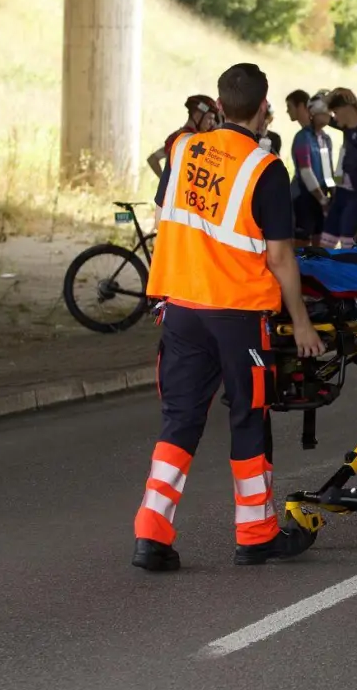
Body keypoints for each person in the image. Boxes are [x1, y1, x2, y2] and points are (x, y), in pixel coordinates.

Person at [131, 62, 324, 572]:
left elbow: (168, 216)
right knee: (248, 418)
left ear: (218, 106)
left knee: (180, 419)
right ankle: (256, 535)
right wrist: (301, 321)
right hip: (238, 316)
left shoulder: (182, 149)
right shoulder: (264, 168)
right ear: (264, 108)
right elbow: (281, 258)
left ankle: (151, 533)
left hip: (180, 308)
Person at [319, 88, 357, 248]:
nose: (334, 117)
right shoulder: (348, 130)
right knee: (326, 242)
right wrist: (334, 94)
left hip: (355, 197)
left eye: (336, 112)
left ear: (347, 110)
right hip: (341, 194)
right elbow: (323, 115)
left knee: (348, 247)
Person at [289, 90, 334, 247]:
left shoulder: (326, 139)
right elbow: (306, 171)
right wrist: (322, 199)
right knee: (301, 245)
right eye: (326, 112)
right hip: (304, 198)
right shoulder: (303, 137)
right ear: (314, 112)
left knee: (320, 245)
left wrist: (334, 195)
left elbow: (328, 172)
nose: (330, 115)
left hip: (320, 198)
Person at [148, 95, 218, 180]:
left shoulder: (177, 136)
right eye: (210, 118)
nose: (212, 123)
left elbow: (153, 159)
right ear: (197, 115)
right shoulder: (192, 139)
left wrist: (165, 182)